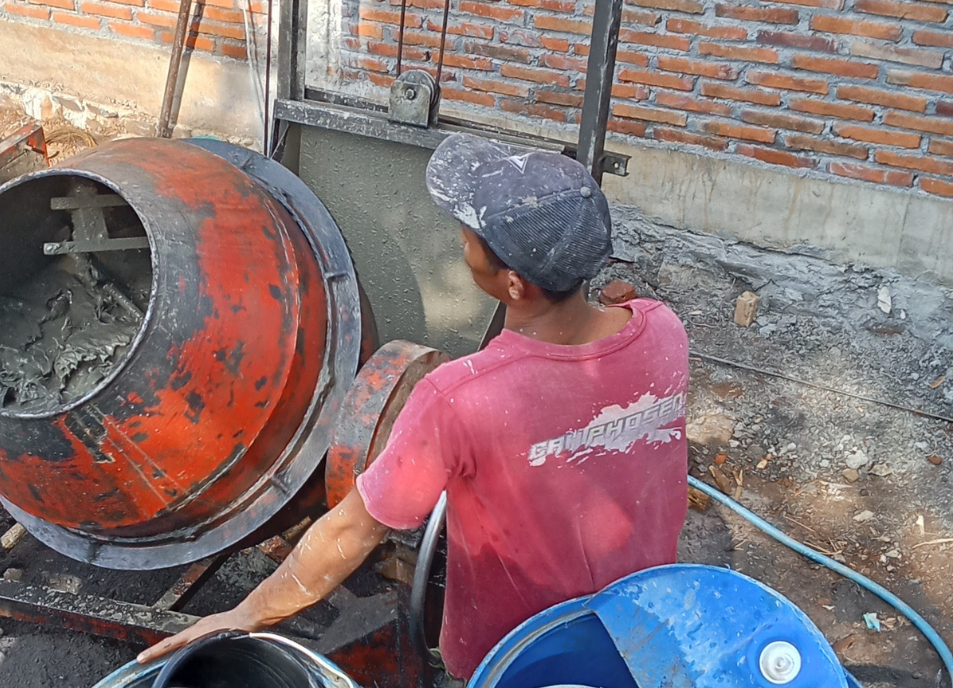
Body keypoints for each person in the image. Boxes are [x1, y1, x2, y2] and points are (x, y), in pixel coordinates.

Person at [138, 134, 690, 680]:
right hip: (643, 624)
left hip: (518, 654)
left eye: (469, 238)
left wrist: (244, 614)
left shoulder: (460, 397)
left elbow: (352, 532)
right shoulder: (663, 330)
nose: (461, 241)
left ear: (515, 285)